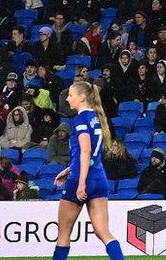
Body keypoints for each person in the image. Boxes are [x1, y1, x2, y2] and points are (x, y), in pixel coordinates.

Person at [51, 82, 126, 260]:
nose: (68, 98)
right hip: (99, 177)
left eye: (70, 95)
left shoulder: (80, 119)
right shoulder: (97, 118)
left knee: (64, 233)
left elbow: (85, 150)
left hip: (81, 179)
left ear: (81, 98)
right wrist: (69, 169)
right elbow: (92, 153)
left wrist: (80, 181)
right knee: (104, 232)